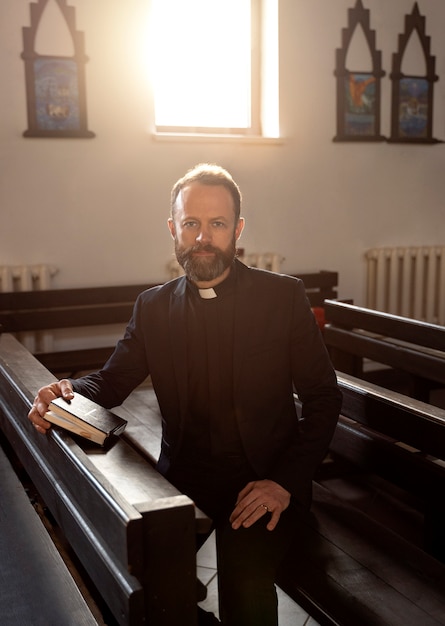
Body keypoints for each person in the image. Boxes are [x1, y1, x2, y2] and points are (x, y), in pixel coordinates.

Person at [29, 163, 342, 626]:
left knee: (244, 581)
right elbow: (111, 383)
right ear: (173, 229)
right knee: (138, 572)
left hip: (264, 477)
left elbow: (323, 398)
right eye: (191, 223)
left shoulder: (282, 297)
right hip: (183, 478)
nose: (203, 237)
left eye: (217, 224)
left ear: (237, 230)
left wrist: (283, 482)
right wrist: (66, 391)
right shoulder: (153, 307)